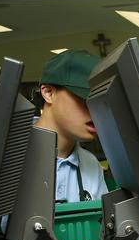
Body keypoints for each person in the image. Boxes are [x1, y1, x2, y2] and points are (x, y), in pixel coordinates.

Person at [37, 49, 107, 202]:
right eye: (86, 99)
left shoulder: (91, 165)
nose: (96, 112)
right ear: (48, 93)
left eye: (100, 103)